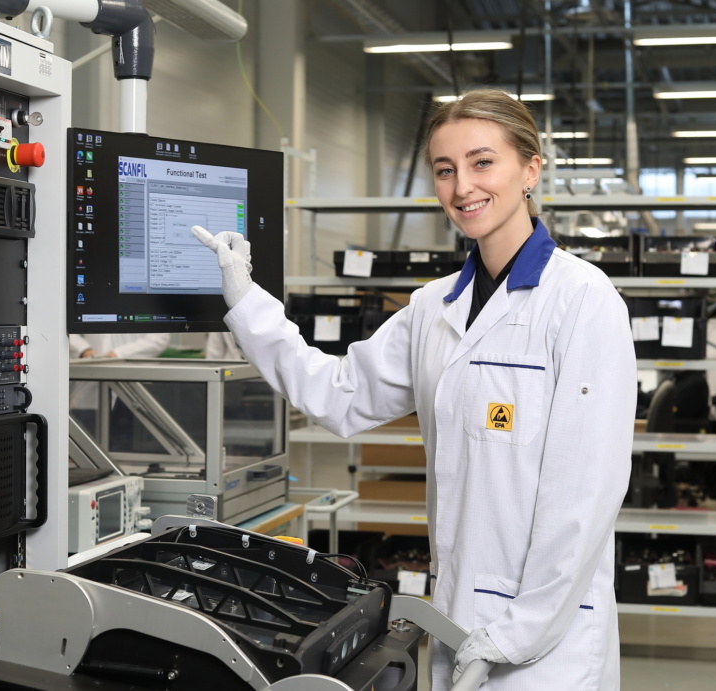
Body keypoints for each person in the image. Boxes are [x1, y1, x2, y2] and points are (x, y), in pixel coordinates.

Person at [193, 88, 636, 690]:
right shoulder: (434, 308)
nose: (462, 187)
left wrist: (518, 634)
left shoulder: (583, 301)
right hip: (458, 616)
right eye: (445, 170)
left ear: (531, 170)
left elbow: (585, 495)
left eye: (483, 163)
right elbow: (339, 395)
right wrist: (247, 301)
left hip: (549, 641)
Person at [68, 333, 169, 434]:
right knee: (85, 437)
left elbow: (159, 337)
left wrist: (117, 354)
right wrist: (84, 350)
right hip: (90, 393)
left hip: (133, 394)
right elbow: (66, 331)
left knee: (125, 440)